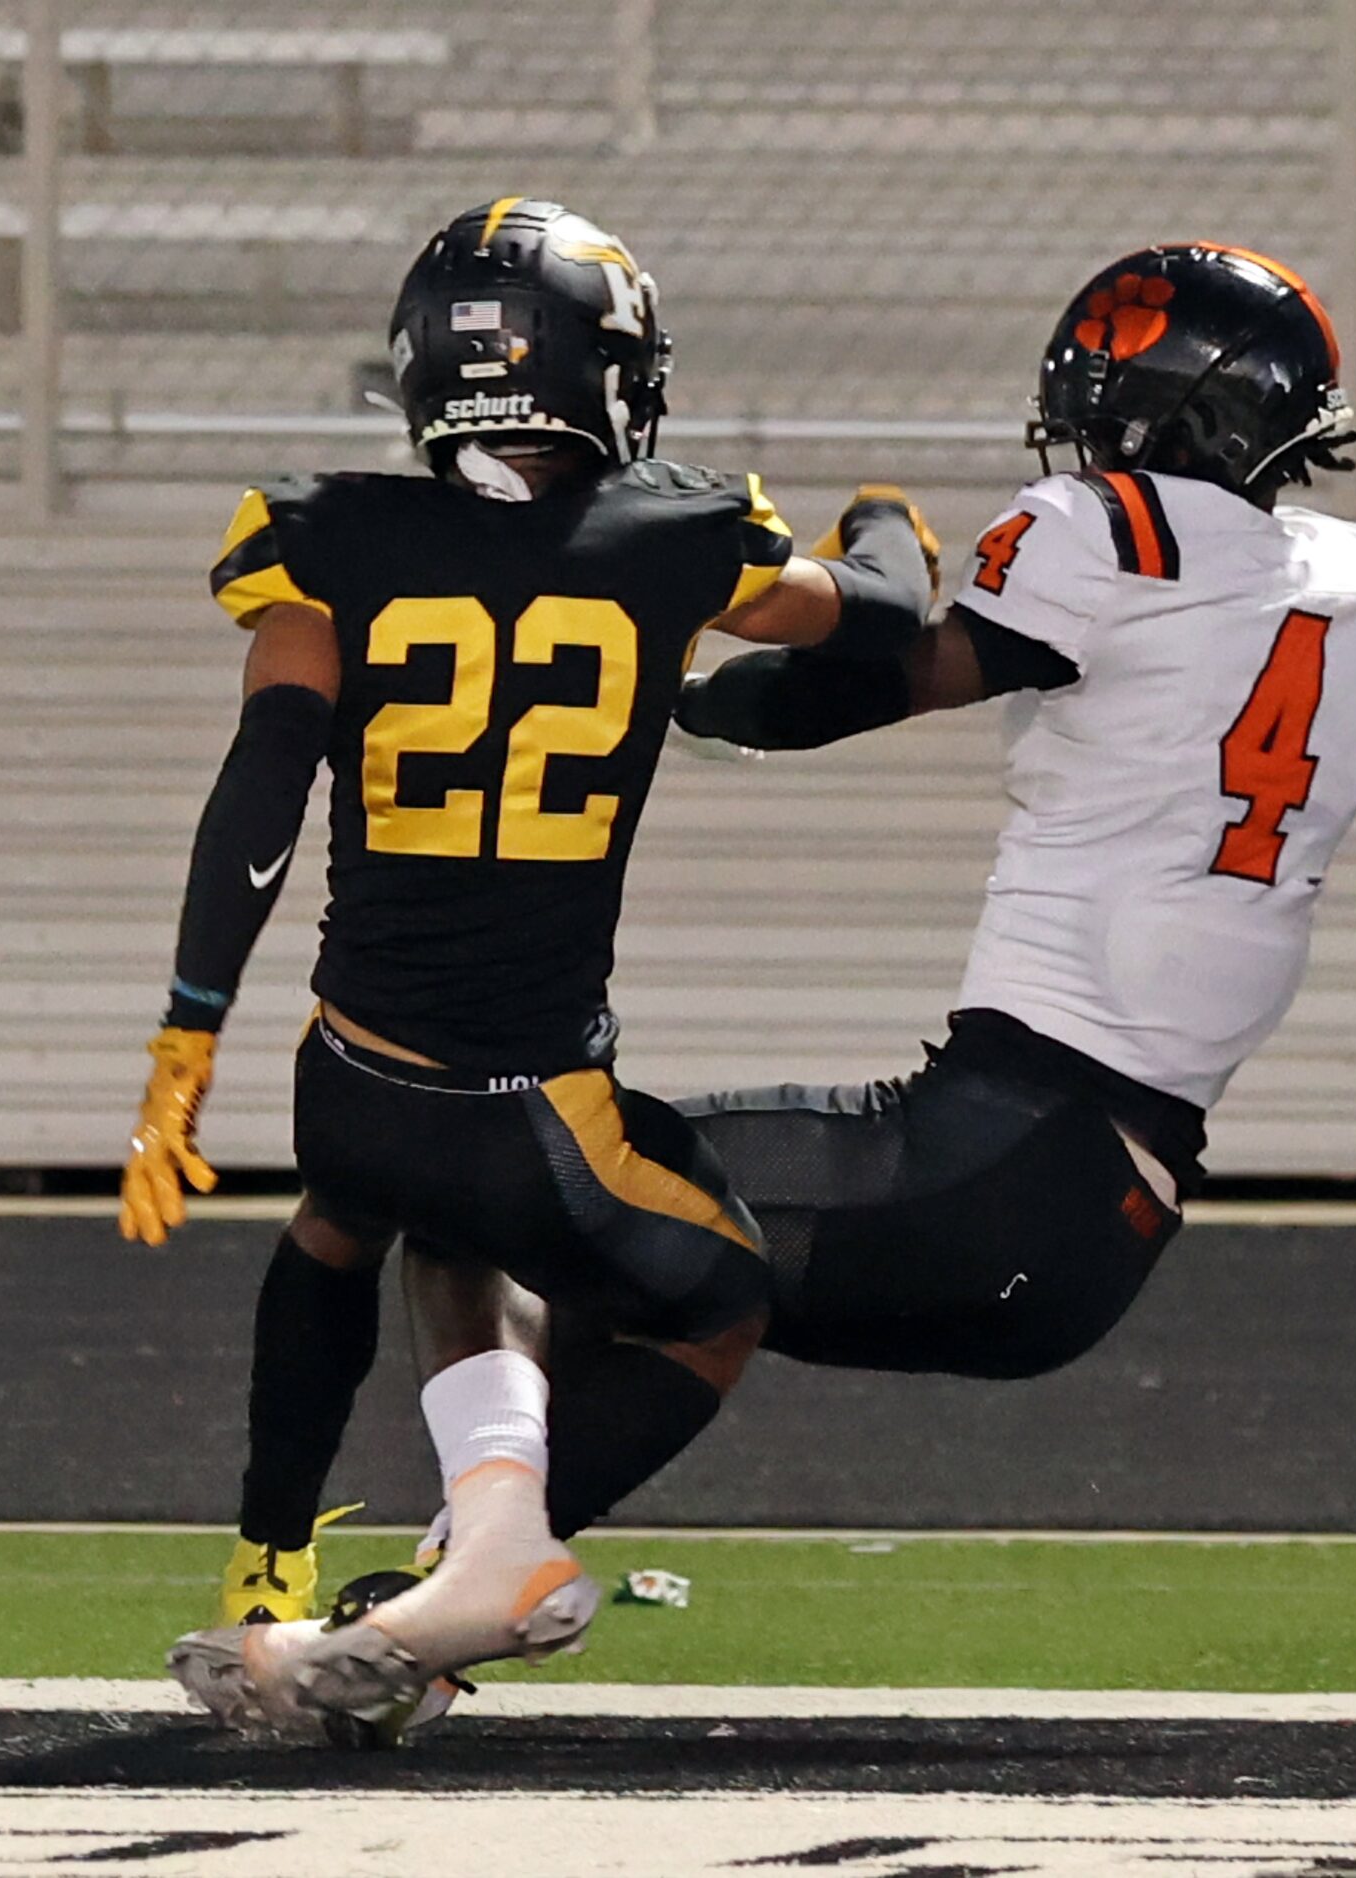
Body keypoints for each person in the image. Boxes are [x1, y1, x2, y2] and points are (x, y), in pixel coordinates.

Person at [393, 239, 1356, 1615]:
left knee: (481, 1189)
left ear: (1172, 409)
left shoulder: (1105, 531)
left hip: (988, 1157)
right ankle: (449, 1604)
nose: (1076, 424)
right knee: (691, 1278)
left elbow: (863, 683)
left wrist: (679, 692)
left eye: (1102, 390)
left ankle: (484, 1558)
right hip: (1105, 1226)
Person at [113, 197, 935, 1726]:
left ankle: (260, 1574)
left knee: (351, 1226)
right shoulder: (680, 536)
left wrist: (186, 1033)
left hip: (349, 1075)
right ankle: (496, 1545)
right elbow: (881, 618)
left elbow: (264, 773)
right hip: (528, 1110)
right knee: (721, 1287)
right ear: (596, 368)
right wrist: (889, 516)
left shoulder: (322, 534)